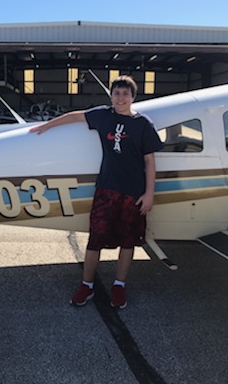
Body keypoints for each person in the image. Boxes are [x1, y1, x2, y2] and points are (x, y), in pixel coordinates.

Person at [30, 76, 163, 308]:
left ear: (133, 97)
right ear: (111, 96)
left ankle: (119, 285)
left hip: (133, 193)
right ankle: (86, 284)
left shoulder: (142, 124)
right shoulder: (103, 115)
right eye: (117, 93)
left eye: (125, 94)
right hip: (106, 189)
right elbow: (76, 116)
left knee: (128, 242)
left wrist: (149, 193)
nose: (121, 98)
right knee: (95, 240)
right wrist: (47, 125)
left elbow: (150, 160)